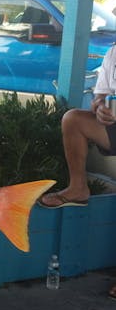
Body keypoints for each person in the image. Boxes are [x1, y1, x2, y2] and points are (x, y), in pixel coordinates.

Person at [38, 45, 116, 208]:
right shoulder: (113, 52)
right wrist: (100, 106)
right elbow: (100, 94)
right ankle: (78, 188)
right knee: (73, 119)